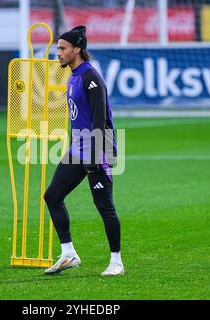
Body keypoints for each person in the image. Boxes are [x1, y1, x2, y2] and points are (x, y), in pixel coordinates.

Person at [43, 26, 123, 276]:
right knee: (52, 196)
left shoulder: (91, 78)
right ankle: (69, 254)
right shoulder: (73, 75)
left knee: (104, 206)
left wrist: (93, 156)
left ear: (77, 50)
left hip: (97, 150)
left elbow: (100, 120)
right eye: (58, 48)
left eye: (62, 48)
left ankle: (116, 262)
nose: (58, 53)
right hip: (78, 148)